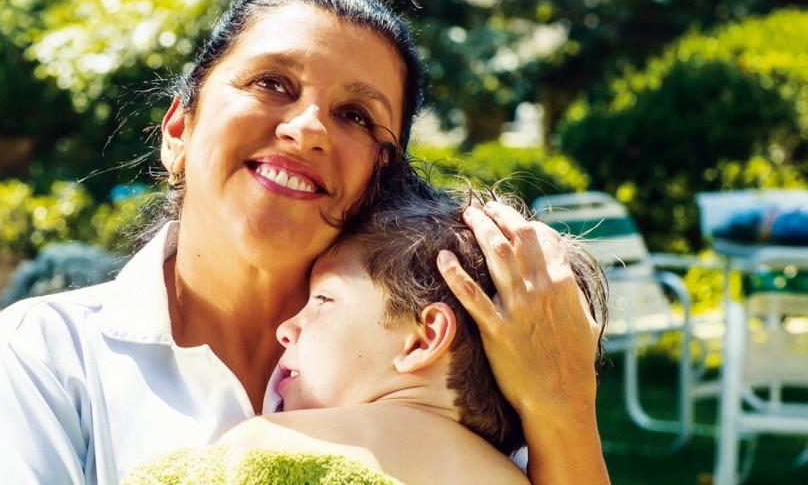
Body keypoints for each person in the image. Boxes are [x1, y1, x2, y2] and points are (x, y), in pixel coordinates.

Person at [0, 0, 609, 484]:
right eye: (272, 83)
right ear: (179, 129)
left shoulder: (470, 361)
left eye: (355, 115)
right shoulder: (50, 353)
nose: (309, 127)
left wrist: (565, 413)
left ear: (384, 173)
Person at [122, 172, 607, 484]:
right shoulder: (528, 478)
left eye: (323, 300)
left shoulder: (275, 443)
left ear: (423, 338)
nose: (287, 329)